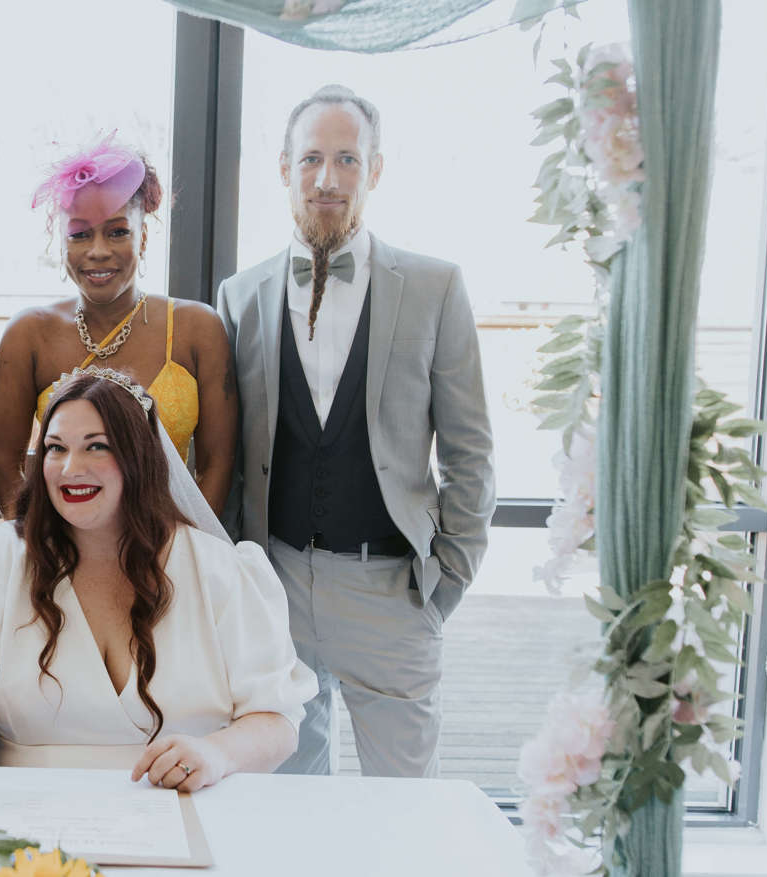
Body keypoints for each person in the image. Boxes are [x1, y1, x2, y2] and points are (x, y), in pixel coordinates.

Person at [216, 84, 496, 778]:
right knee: (287, 807)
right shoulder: (240, 296)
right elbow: (222, 453)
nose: (328, 178)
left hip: (390, 591)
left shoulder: (435, 288)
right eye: (311, 158)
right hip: (274, 584)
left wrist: (445, 582)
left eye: (347, 159)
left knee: (404, 812)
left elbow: (472, 451)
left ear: (374, 170)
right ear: (284, 167)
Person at [0, 368, 314, 792]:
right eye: (55, 448)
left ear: (140, 456)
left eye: (97, 445)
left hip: (185, 804)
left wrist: (216, 754)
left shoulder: (221, 570)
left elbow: (275, 719)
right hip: (29, 814)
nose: (71, 467)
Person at [0, 137, 236, 517]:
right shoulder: (28, 334)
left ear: (144, 236)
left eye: (118, 231)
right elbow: (6, 468)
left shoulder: (197, 329)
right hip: (62, 560)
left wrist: (184, 555)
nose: (98, 250)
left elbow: (217, 467)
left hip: (173, 557)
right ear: (62, 242)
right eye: (80, 234)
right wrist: (45, 551)